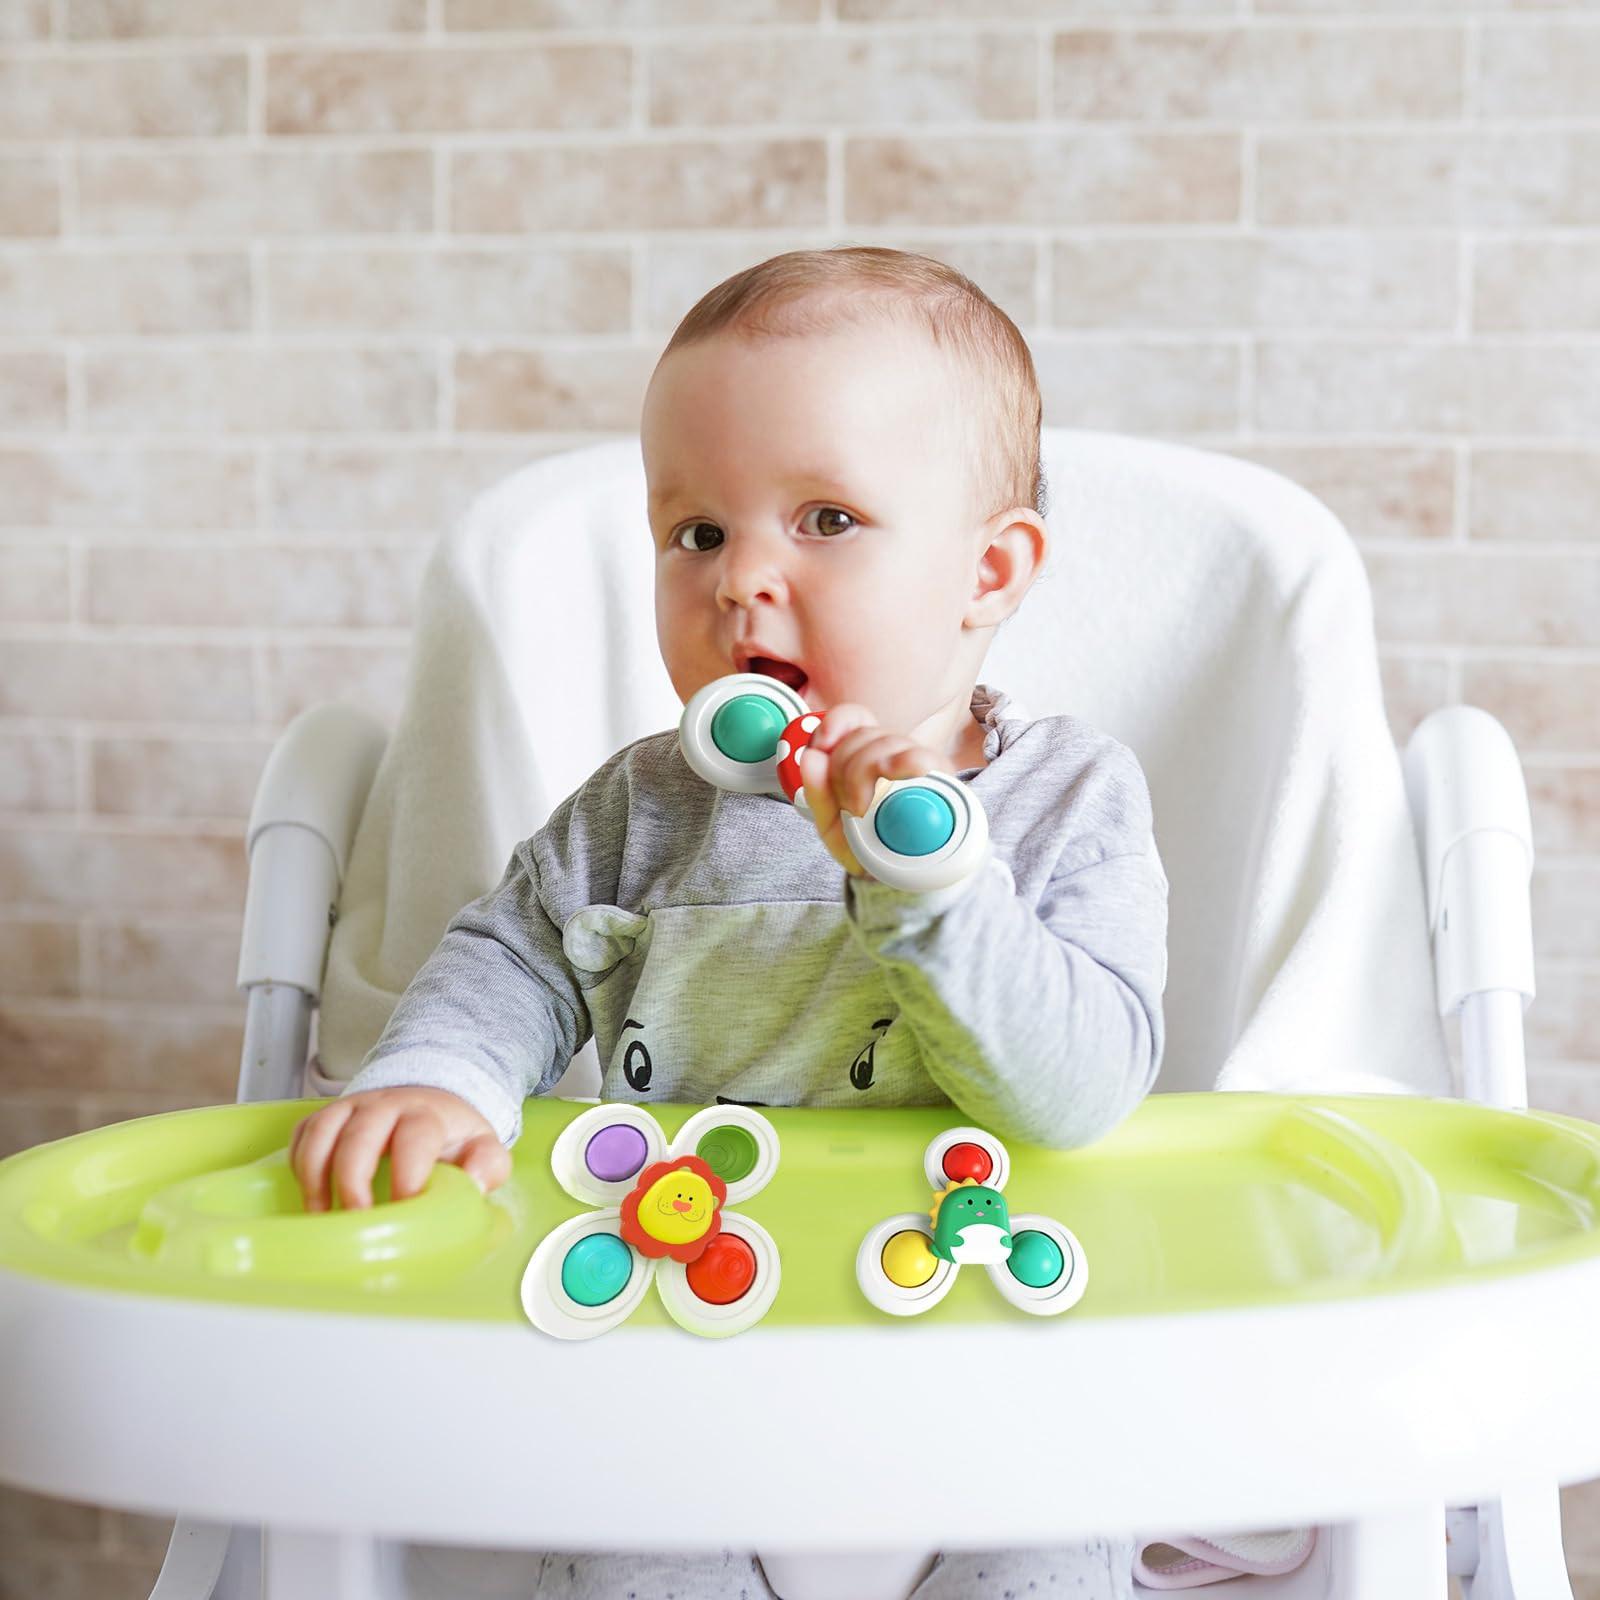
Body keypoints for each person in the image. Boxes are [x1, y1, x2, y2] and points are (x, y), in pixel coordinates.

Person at [289, 245, 1168, 1600]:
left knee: (1058, 1543)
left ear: (987, 574)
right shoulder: (644, 809)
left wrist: (930, 887)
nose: (738, 577)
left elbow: (1083, 1086)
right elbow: (511, 959)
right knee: (623, 1537)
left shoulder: (1069, 801)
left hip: (991, 1346)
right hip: (687, 1322)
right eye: (696, 530)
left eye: (823, 520)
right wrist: (437, 1080)